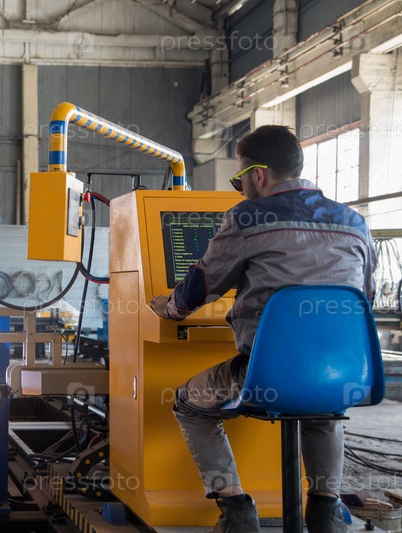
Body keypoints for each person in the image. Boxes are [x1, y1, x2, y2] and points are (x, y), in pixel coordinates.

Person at [150, 125, 375, 533]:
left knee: (188, 403)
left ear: (257, 175)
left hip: (267, 376)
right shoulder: (356, 223)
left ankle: (236, 510)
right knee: (323, 406)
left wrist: (168, 307)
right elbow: (365, 299)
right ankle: (325, 512)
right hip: (342, 373)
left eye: (239, 180)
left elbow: (198, 289)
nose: (240, 190)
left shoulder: (246, 218)